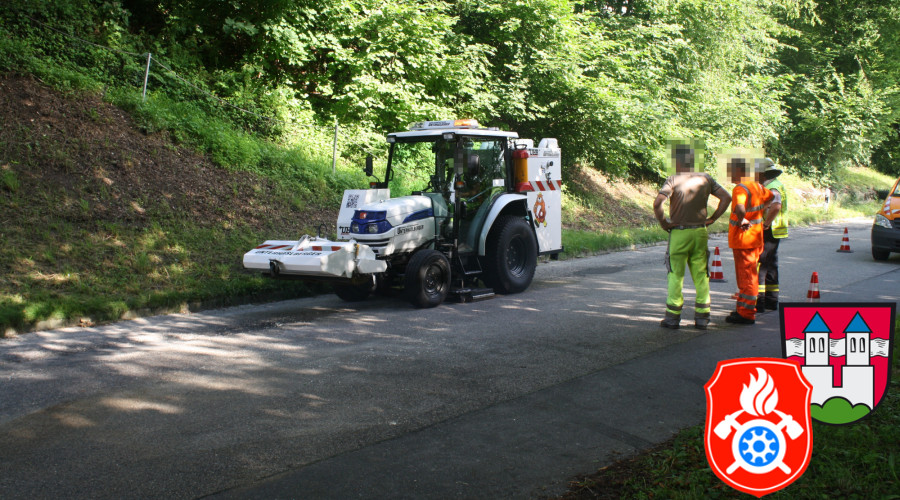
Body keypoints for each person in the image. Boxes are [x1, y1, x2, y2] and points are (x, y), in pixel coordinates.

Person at [654, 144, 731, 330]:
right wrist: (712, 218)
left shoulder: (673, 180)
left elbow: (658, 203)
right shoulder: (706, 179)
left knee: (675, 275)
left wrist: (664, 223)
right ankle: (702, 318)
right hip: (699, 232)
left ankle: (672, 319)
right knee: (701, 276)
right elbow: (727, 197)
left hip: (679, 233)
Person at [725, 157, 773, 325]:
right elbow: (771, 197)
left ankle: (746, 313)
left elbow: (739, 207)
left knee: (747, 277)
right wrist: (761, 213)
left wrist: (743, 218)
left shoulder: (740, 188)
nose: (729, 174)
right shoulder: (758, 186)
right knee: (749, 274)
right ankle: (743, 309)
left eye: (731, 170)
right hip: (755, 238)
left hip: (743, 239)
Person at [757, 159, 786, 313]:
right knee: (771, 264)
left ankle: (759, 301)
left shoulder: (772, 187)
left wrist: (766, 223)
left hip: (770, 230)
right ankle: (771, 300)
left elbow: (776, 206)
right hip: (777, 229)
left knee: (761, 264)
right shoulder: (777, 184)